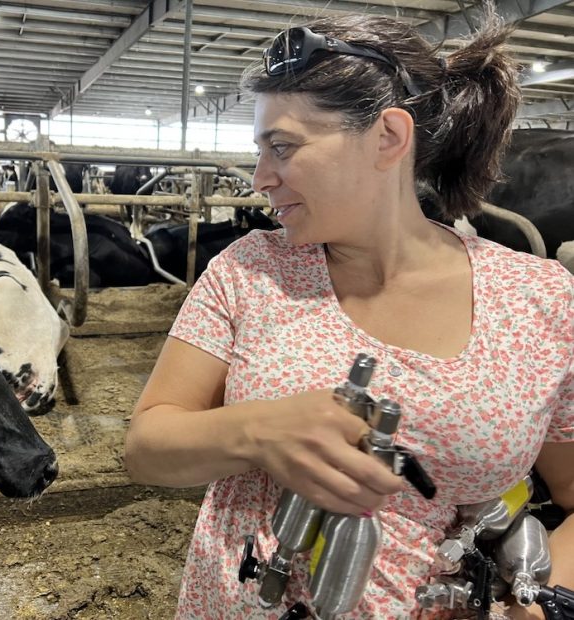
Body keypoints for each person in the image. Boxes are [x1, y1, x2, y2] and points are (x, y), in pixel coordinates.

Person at [124, 7, 574, 620]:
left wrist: (539, 606)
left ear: (388, 137)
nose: (261, 178)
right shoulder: (250, 272)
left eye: (282, 146)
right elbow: (146, 445)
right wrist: (256, 430)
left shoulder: (539, 300)